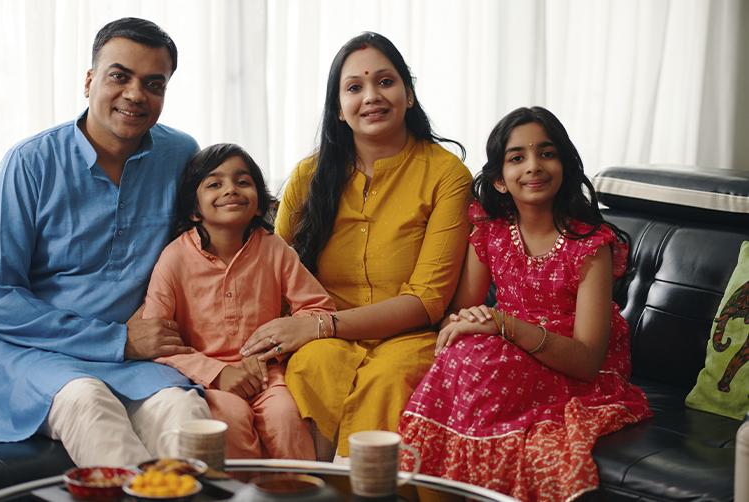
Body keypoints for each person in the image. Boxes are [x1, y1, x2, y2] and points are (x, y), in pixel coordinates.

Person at [0, 18, 210, 467]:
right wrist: (117, 340)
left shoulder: (181, 156)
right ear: (89, 80)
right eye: (119, 75)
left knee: (186, 411)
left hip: (135, 355)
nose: (135, 94)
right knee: (90, 403)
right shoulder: (29, 163)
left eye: (154, 83)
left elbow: (198, 255)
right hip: (31, 353)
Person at [398, 106, 652, 501]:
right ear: (500, 180)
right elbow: (462, 311)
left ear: (564, 164)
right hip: (511, 349)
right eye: (517, 157)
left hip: (576, 363)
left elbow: (587, 359)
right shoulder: (491, 233)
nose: (533, 166)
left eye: (546, 153)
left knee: (478, 364)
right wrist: (474, 319)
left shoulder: (591, 246)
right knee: (461, 353)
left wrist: (502, 325)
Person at [240, 32, 473, 459]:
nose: (371, 96)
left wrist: (321, 325)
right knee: (314, 365)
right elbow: (269, 268)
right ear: (338, 109)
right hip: (324, 341)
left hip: (409, 335)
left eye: (385, 82)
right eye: (354, 87)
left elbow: (427, 301)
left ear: (409, 95)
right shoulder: (309, 176)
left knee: (389, 377)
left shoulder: (447, 175)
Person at [142, 143, 335, 460]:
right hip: (208, 381)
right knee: (229, 423)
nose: (231, 189)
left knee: (286, 418)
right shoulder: (174, 258)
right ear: (194, 209)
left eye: (242, 182)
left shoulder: (274, 250)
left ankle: (298, 492)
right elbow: (156, 340)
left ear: (260, 204)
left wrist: (272, 346)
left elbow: (318, 308)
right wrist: (218, 373)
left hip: (268, 375)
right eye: (215, 184)